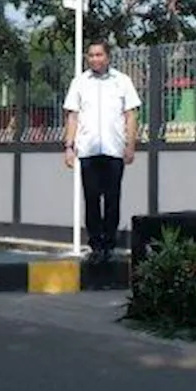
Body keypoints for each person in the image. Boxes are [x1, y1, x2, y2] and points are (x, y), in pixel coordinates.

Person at [62, 39, 143, 261]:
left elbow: (131, 115)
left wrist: (130, 145)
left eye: (99, 55)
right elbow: (73, 116)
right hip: (87, 150)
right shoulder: (79, 82)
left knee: (112, 198)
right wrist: (69, 146)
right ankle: (95, 243)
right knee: (91, 199)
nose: (95, 59)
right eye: (91, 55)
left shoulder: (122, 81)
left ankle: (109, 242)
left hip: (113, 149)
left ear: (107, 57)